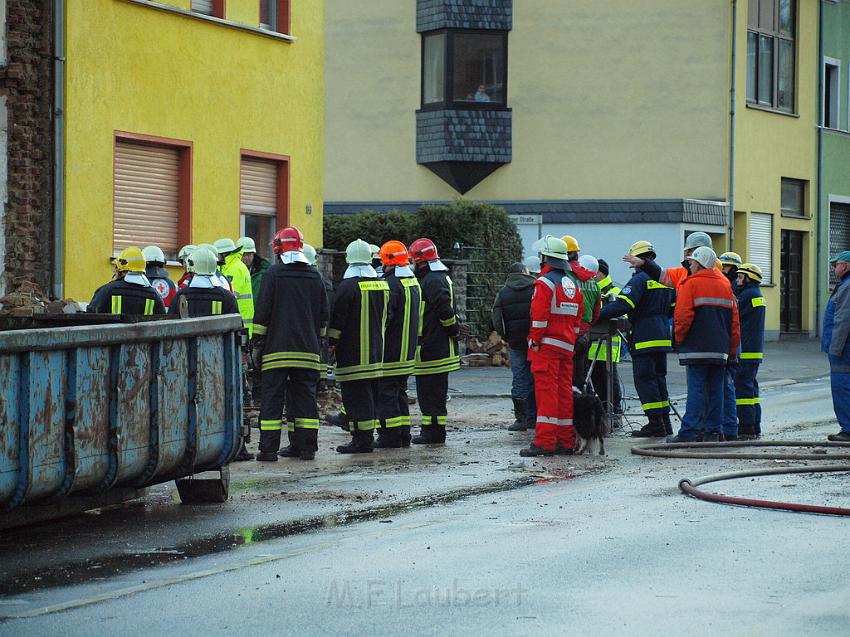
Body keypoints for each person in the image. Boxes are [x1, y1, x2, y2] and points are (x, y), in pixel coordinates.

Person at [253, 226, 328, 461]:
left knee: (272, 399)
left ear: (278, 249)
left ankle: (268, 450)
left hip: (276, 352)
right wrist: (318, 343)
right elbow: (324, 316)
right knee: (305, 399)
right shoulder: (315, 276)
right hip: (308, 352)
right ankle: (305, 448)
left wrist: (258, 344)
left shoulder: (273, 275)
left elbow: (262, 314)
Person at [596, 241, 675, 437]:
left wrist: (594, 315)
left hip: (645, 336)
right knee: (659, 380)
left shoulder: (639, 280)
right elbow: (674, 306)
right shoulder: (664, 279)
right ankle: (665, 423)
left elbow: (623, 305)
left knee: (645, 381)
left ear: (638, 258)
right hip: (663, 336)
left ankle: (655, 425)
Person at [668, 246, 740, 443]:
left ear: (699, 264)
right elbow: (734, 322)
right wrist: (732, 348)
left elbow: (682, 316)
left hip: (696, 347)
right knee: (717, 390)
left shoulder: (691, 284)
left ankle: (689, 432)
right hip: (720, 349)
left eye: (691, 262)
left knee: (697, 390)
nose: (689, 265)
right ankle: (713, 431)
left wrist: (679, 339)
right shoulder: (725, 285)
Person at [520, 236, 583, 456]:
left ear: (546, 258)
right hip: (566, 346)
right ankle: (566, 441)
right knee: (564, 393)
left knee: (546, 394)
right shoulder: (573, 284)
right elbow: (578, 319)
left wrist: (535, 340)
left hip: (546, 347)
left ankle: (545, 442)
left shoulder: (544, 283)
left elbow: (539, 316)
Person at [328, 239, 390, 453]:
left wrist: (331, 345)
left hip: (353, 355)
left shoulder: (347, 287)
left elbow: (337, 322)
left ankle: (361, 441)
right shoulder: (382, 285)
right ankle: (362, 437)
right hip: (376, 354)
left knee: (356, 398)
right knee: (369, 396)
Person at [409, 237, 462, 445]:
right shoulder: (439, 277)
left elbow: (444, 310)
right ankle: (431, 430)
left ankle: (433, 433)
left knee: (431, 394)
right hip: (434, 346)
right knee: (431, 393)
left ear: (421, 261)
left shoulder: (432, 280)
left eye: (414, 260)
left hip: (433, 347)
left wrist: (453, 329)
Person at [376, 240, 421, 448]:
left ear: (388, 261)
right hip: (407, 352)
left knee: (386, 394)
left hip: (391, 351)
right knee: (400, 393)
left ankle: (389, 437)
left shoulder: (392, 284)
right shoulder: (412, 282)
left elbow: (387, 318)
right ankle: (404, 435)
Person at [491, 262, 537, 432]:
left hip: (516, 343)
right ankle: (534, 418)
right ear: (525, 273)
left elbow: (497, 319)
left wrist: (505, 336)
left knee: (519, 379)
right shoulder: (536, 288)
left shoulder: (503, 293)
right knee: (535, 377)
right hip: (535, 341)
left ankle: (521, 420)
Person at [587, 258, 624, 424]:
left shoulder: (613, 291)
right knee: (596, 381)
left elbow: (622, 317)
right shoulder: (592, 289)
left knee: (610, 382)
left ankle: (615, 413)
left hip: (608, 345)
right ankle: (603, 413)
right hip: (592, 344)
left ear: (600, 273)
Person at [735, 263, 766, 440]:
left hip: (745, 350)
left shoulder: (746, 296)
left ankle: (746, 427)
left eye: (740, 277)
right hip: (754, 350)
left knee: (743, 390)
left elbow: (734, 315)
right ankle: (754, 425)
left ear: (749, 278)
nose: (737, 280)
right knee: (751, 389)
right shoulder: (756, 295)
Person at [88, 246, 166, 316]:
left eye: (116, 267)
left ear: (120, 269)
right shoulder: (154, 295)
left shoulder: (107, 291)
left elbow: (90, 318)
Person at [823, 251, 850, 442]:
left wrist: (835, 348)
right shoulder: (844, 285)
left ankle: (847, 429)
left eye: (836, 265)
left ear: (846, 266)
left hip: (843, 349)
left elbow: (842, 320)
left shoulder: (847, 287)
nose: (834, 269)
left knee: (842, 387)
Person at [168, 247, 239, 318]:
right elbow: (237, 326)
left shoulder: (180, 296)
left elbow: (169, 325)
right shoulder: (227, 297)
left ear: (191, 267)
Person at [215, 238, 255, 339]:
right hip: (238, 324)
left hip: (240, 326)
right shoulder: (229, 267)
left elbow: (230, 297)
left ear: (223, 254)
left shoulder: (235, 268)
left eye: (217, 255)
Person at [575, 254, 602, 388]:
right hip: (585, 333)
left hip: (570, 331)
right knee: (581, 371)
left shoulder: (570, 280)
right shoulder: (595, 286)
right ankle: (582, 396)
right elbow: (597, 313)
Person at [237, 236, 271, 302]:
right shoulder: (232, 270)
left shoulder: (264, 271)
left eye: (249, 254)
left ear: (253, 254)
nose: (246, 258)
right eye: (243, 254)